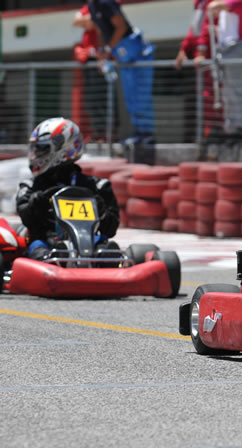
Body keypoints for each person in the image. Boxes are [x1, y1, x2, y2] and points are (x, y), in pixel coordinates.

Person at [16, 118, 120, 261]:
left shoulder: (97, 187)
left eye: (42, 149)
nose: (36, 155)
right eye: (36, 149)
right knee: (38, 250)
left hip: (90, 242)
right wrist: (38, 201)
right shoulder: (31, 186)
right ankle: (57, 259)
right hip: (45, 241)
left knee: (107, 249)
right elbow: (26, 218)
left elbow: (111, 229)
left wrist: (101, 212)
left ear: (65, 149)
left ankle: (106, 260)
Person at [86, 0, 156, 145]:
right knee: (130, 96)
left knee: (140, 95)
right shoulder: (91, 6)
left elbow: (121, 27)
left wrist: (107, 49)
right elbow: (100, 30)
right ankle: (139, 133)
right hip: (122, 55)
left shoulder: (105, 2)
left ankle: (147, 134)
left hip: (135, 52)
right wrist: (102, 53)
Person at [201, 0, 242, 146]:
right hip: (225, 49)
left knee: (235, 90)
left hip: (237, 48)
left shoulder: (240, 1)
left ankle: (239, 129)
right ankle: (230, 129)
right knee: (227, 92)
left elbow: (213, 6)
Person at [175, 0, 224, 147]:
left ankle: (218, 130)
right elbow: (194, 28)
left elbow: (207, 28)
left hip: (213, 55)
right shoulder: (198, 3)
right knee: (204, 95)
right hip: (201, 57)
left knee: (215, 93)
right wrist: (183, 49)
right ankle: (208, 131)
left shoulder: (212, 2)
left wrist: (201, 51)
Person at [72, 5, 109, 142]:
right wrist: (92, 18)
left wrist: (90, 20)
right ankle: (97, 131)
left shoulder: (105, 3)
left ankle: (105, 133)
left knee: (101, 97)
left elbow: (100, 24)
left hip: (100, 59)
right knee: (89, 99)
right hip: (87, 60)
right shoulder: (89, 6)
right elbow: (75, 21)